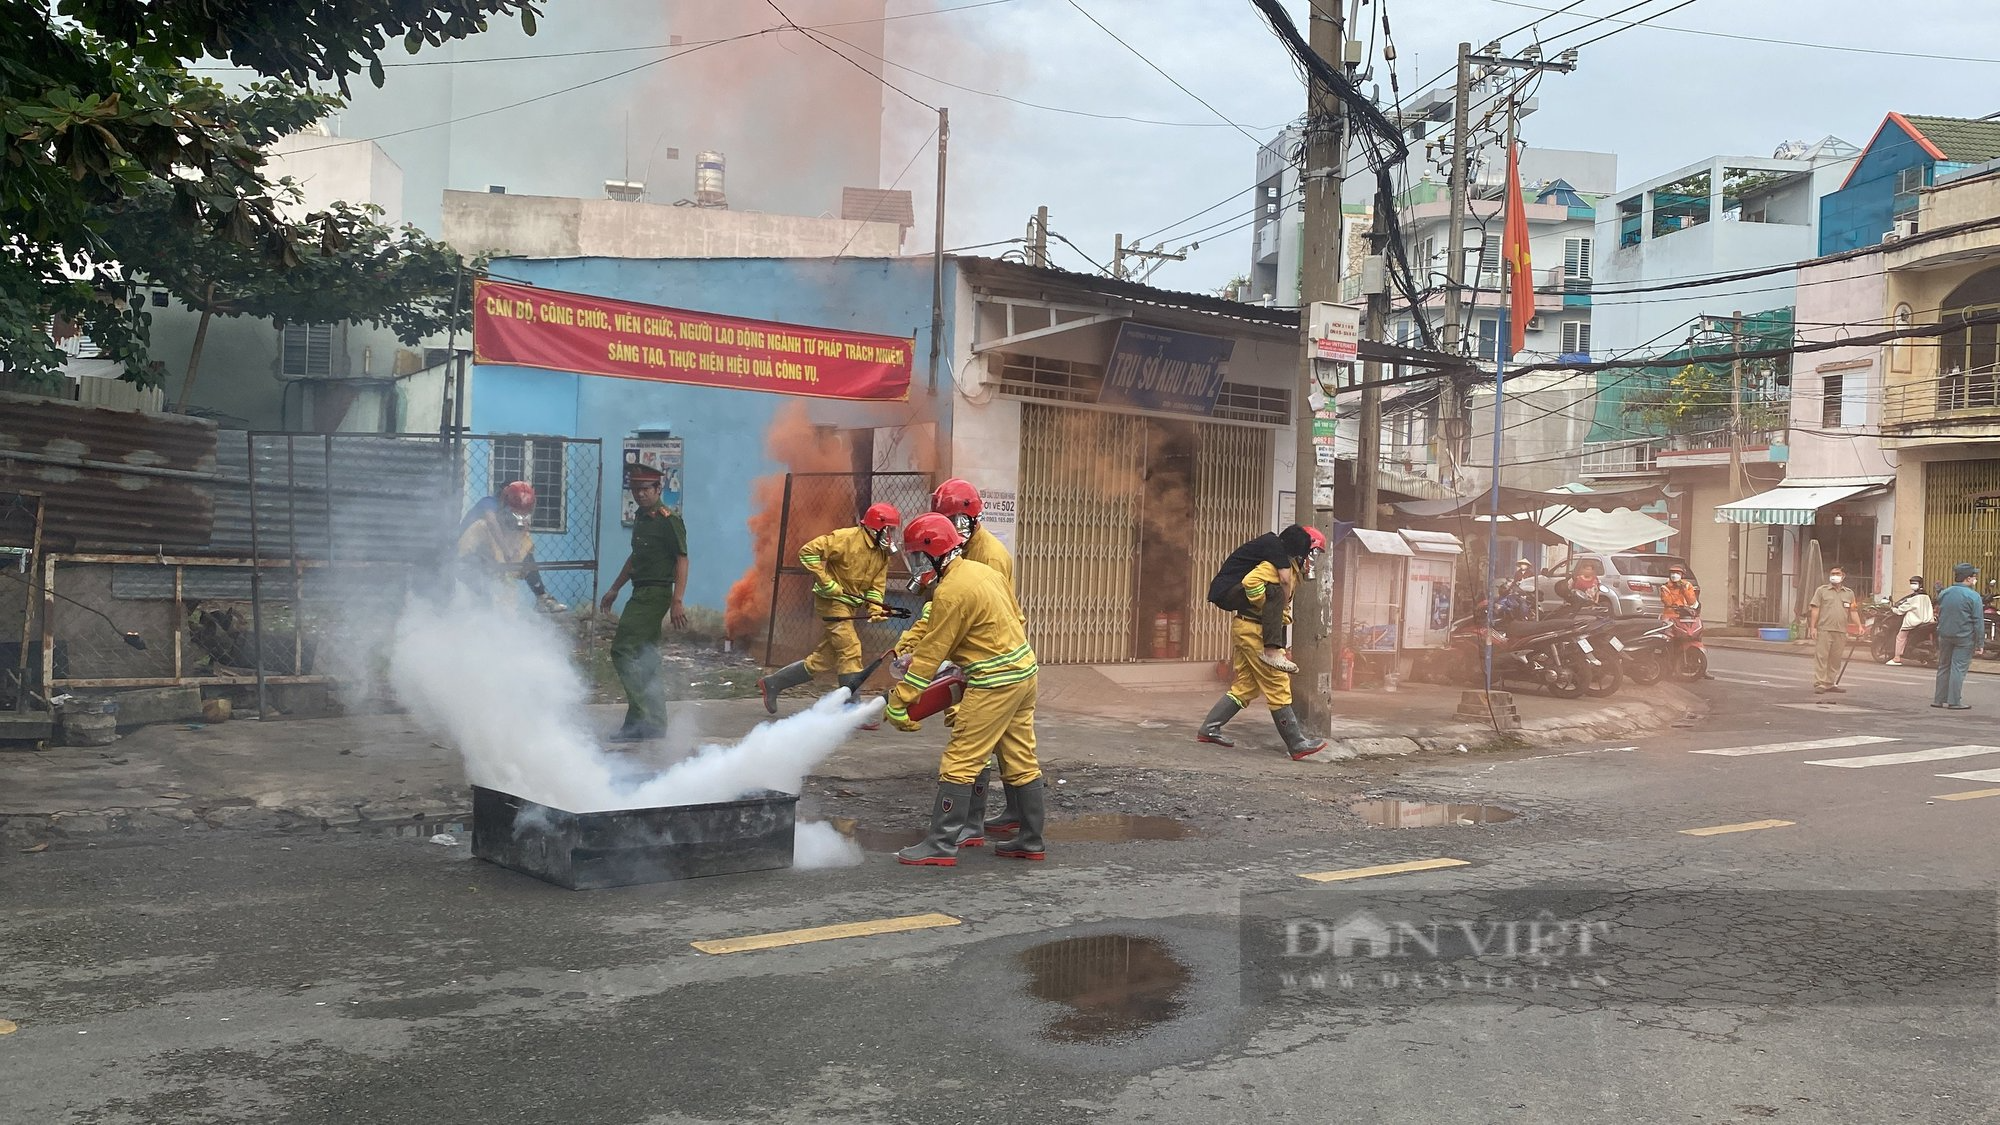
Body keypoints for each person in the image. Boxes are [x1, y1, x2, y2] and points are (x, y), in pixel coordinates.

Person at [884, 513, 1044, 867]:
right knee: (1020, 758)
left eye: (917, 557)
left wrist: (901, 700)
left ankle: (941, 844)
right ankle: (1031, 840)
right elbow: (1015, 618)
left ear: (935, 554)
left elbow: (930, 656)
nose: (916, 564)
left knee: (961, 760)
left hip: (993, 684)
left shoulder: (952, 591)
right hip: (1023, 674)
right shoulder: (984, 572)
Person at [1193, 525, 1330, 760]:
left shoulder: (1290, 569)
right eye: (1312, 553)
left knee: (1246, 686)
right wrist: (1262, 605)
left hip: (1248, 627)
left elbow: (1279, 607)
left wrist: (1278, 614)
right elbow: (1251, 583)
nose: (1312, 559)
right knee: (1277, 683)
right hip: (1254, 630)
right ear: (1300, 550)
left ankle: (1209, 728)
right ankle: (1296, 743)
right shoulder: (1272, 567)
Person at [757, 502, 902, 715]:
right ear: (875, 527)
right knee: (850, 649)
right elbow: (807, 553)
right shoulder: (845, 539)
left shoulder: (881, 554)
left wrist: (875, 608)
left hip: (850, 607)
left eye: (893, 530)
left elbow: (876, 586)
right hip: (831, 602)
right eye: (889, 529)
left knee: (822, 661)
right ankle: (851, 710)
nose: (891, 535)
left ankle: (773, 683)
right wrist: (827, 582)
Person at [598, 465, 689, 741]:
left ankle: (641, 719)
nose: (640, 494)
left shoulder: (668, 520)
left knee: (622, 649)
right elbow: (634, 559)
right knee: (646, 657)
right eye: (636, 490)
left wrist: (677, 600)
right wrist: (615, 588)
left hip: (656, 594)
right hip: (640, 591)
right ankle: (655, 724)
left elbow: (682, 560)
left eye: (646, 489)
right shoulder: (640, 517)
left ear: (658, 490)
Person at [1207, 526, 1319, 674]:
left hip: (1228, 591)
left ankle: (1274, 645)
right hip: (1227, 591)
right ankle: (1271, 651)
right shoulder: (1276, 548)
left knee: (1244, 687)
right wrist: (1284, 606)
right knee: (1276, 591)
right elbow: (1285, 580)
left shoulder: (1271, 542)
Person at [454, 481, 566, 613]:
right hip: (468, 557)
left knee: (522, 539)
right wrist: (507, 552)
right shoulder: (489, 503)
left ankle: (542, 597)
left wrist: (522, 531)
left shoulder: (512, 516)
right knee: (484, 525)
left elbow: (520, 539)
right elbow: (491, 522)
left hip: (494, 560)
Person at [1806, 565, 1863, 695]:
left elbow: (1853, 611)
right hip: (1824, 629)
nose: (1834, 576)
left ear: (1843, 576)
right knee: (1822, 657)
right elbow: (1815, 609)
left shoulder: (1849, 593)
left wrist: (1859, 626)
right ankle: (1820, 683)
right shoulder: (1822, 591)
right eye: (1832, 573)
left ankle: (1830, 683)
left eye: (1837, 573)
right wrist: (1812, 627)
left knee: (1835, 659)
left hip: (1841, 631)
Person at [1934, 563, 1981, 710]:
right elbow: (1978, 621)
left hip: (1944, 635)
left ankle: (1938, 700)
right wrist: (1980, 644)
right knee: (1958, 669)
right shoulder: (1973, 596)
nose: (1975, 579)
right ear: (1968, 578)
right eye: (1974, 577)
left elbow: (1940, 612)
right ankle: (1954, 701)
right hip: (1964, 638)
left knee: (1943, 667)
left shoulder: (1945, 593)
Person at [1888, 574, 1935, 666]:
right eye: (1912, 583)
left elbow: (1901, 610)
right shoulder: (1926, 596)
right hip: (1926, 621)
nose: (1912, 585)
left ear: (1920, 584)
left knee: (1900, 637)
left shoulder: (1914, 598)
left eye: (1915, 583)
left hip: (1913, 622)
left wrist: (1893, 609)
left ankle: (1897, 657)